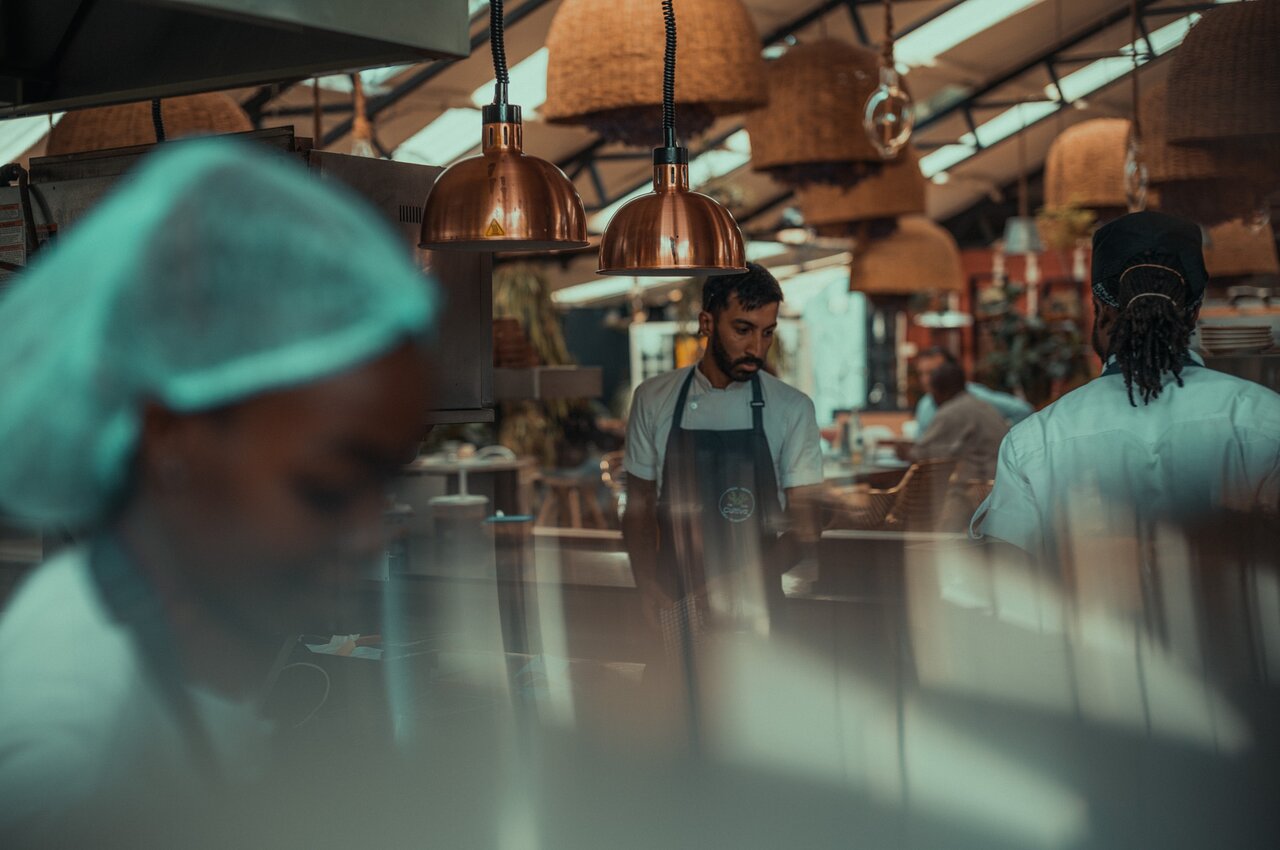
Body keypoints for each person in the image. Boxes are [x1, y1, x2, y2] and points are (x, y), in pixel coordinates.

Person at [0, 139, 438, 844]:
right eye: (325, 489)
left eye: (385, 487)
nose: (369, 538)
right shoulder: (68, 729)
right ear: (172, 436)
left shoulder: (195, 630)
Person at [972, 210, 1280, 561]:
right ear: (1194, 313)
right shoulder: (1267, 419)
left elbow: (1006, 577)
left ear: (1101, 311)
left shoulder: (1033, 441)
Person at [623, 264, 823, 633]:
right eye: (743, 330)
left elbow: (805, 527)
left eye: (767, 333)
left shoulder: (792, 408)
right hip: (673, 605)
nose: (756, 348)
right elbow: (638, 505)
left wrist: (736, 584)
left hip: (757, 612)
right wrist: (645, 583)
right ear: (707, 323)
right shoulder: (653, 399)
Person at [910, 360, 1009, 530]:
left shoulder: (953, 411)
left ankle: (942, 548)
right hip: (999, 483)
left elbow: (921, 454)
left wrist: (901, 451)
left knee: (942, 521)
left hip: (978, 486)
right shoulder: (979, 405)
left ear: (940, 390)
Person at [913, 347, 1032, 434]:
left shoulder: (974, 396)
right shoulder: (925, 404)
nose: (925, 380)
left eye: (932, 373)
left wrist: (1005, 440)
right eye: (921, 374)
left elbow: (1023, 411)